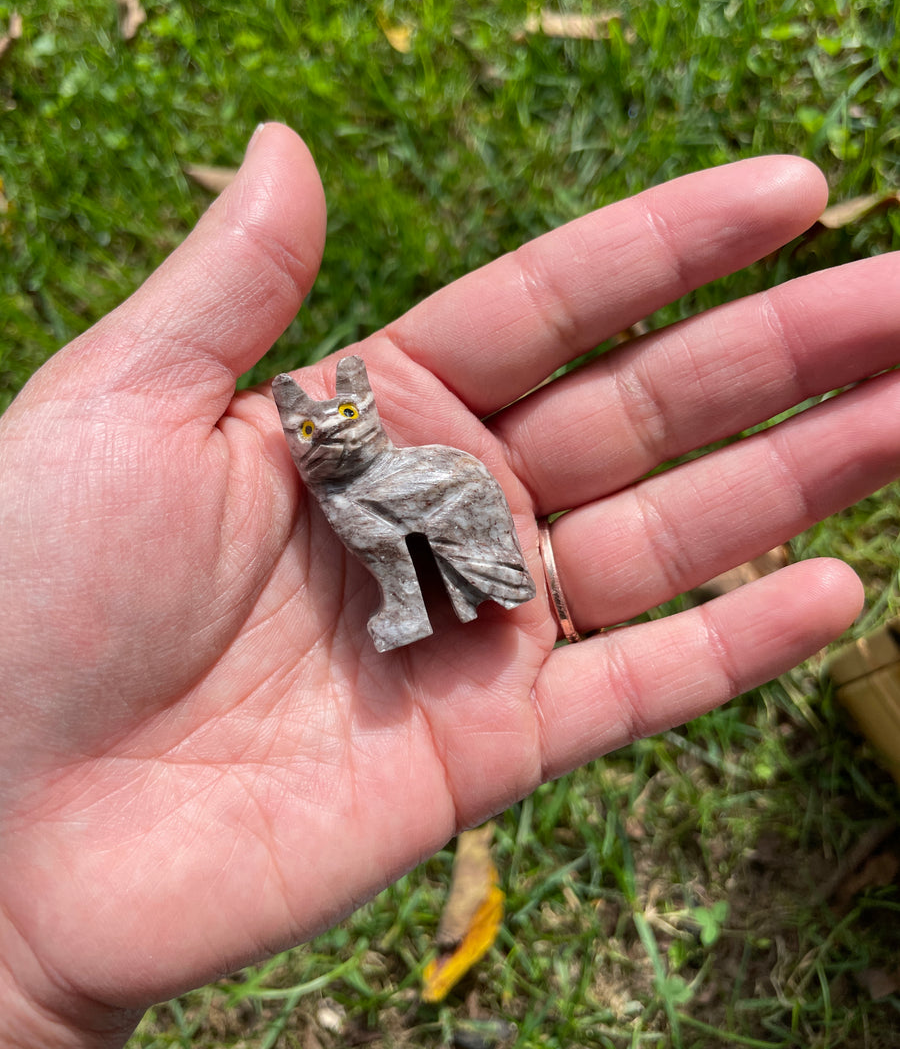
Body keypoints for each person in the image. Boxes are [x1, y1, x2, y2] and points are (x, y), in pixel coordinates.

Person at [0, 123, 897, 1047]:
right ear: (301, 436)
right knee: (426, 567)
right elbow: (390, 555)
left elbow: (396, 557)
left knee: (440, 564)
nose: (332, 439)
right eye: (314, 431)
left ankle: (477, 591)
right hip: (444, 525)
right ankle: (470, 594)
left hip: (459, 516)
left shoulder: (374, 481)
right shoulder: (344, 492)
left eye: (346, 422)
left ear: (368, 418)